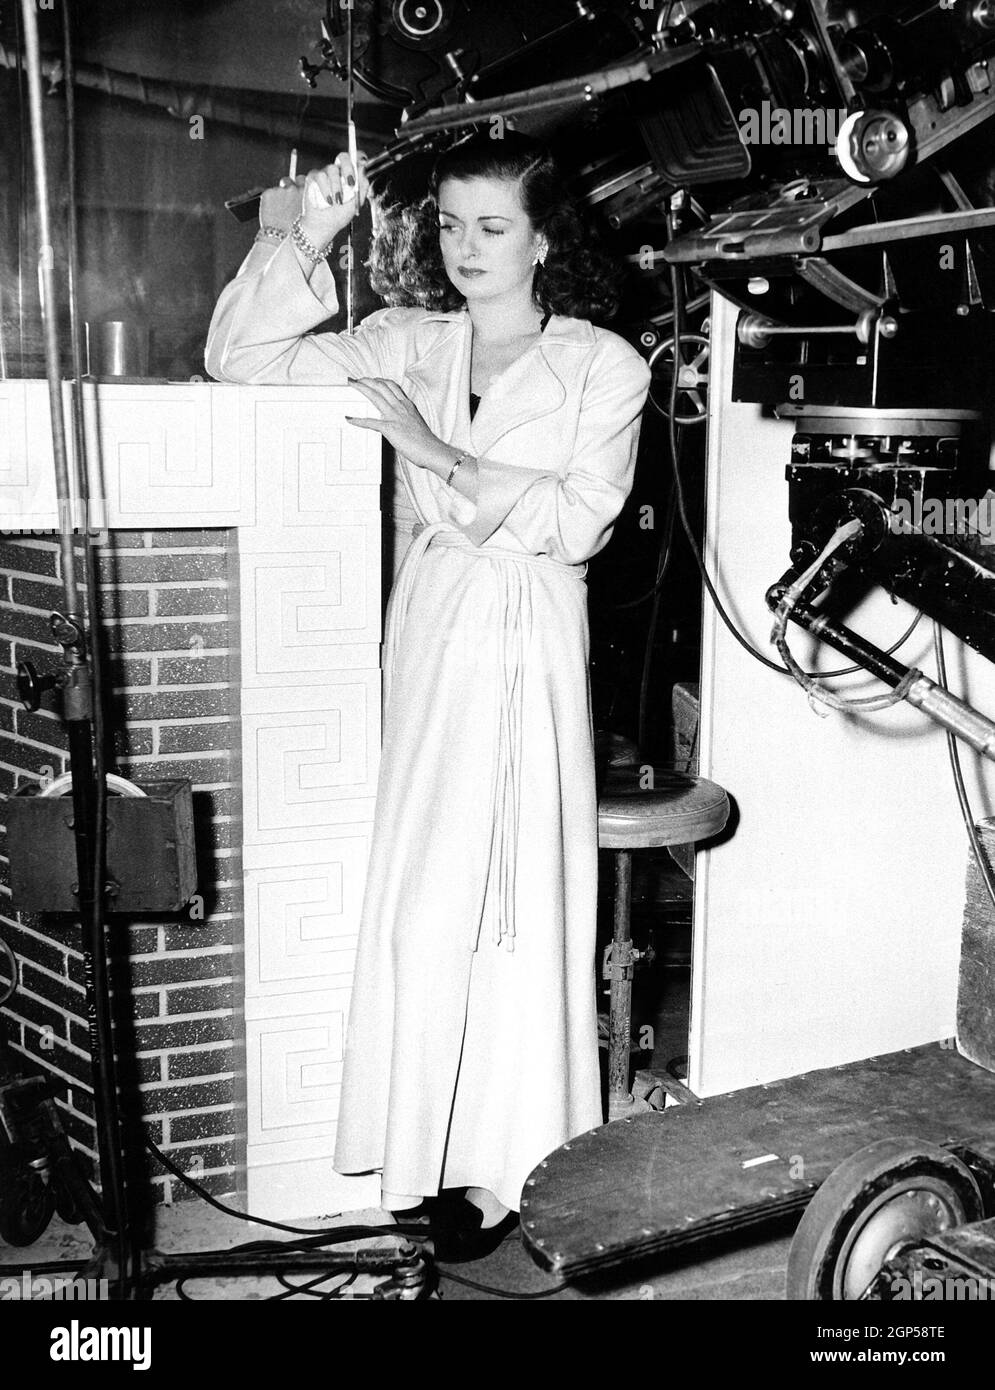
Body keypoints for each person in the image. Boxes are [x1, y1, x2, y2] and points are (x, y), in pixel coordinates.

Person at [206, 131, 651, 1259]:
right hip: (433, 635)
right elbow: (241, 359)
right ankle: (424, 1153)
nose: (464, 248)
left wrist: (432, 449)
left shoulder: (605, 364)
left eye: (492, 226)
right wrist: (308, 228)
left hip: (531, 642)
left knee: (517, 907)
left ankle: (510, 1169)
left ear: (545, 238)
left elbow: (577, 518)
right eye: (449, 224)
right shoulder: (403, 340)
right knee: (426, 903)